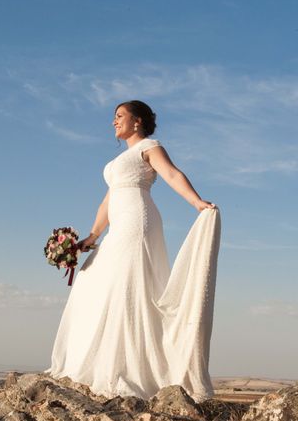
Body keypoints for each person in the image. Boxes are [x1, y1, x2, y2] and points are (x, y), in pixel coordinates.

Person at [46, 100, 221, 401]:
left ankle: (126, 370)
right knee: (91, 279)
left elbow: (172, 174)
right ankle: (99, 362)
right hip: (119, 223)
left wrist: (197, 202)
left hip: (138, 221)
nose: (114, 122)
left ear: (137, 122)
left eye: (119, 116)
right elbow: (107, 202)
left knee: (128, 284)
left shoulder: (150, 146)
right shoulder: (119, 161)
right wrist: (92, 235)